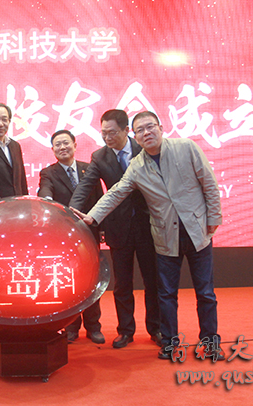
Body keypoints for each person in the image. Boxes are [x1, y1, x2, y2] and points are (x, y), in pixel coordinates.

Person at [73, 111, 224, 360]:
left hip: (197, 232)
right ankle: (170, 343)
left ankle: (210, 343)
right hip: (165, 237)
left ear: (161, 128)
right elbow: (116, 192)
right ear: (135, 136)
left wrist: (214, 218)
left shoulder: (186, 147)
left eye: (150, 127)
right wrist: (92, 217)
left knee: (205, 293)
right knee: (166, 294)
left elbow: (208, 182)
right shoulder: (137, 165)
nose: (146, 133)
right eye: (141, 130)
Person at [70, 109, 161, 349]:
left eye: (112, 133)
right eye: (104, 133)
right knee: (122, 284)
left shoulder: (144, 148)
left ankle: (156, 328)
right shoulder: (100, 157)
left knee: (153, 281)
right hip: (118, 228)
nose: (107, 138)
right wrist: (71, 210)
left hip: (148, 225)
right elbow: (86, 185)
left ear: (126, 131)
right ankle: (126, 331)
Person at [37, 129, 105, 344]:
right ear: (52, 149)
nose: (62, 147)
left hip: (90, 232)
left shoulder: (89, 169)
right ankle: (71, 327)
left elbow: (99, 198)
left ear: (75, 145)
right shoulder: (48, 172)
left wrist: (101, 227)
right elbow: (44, 191)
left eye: (66, 143)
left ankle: (94, 327)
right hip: (64, 236)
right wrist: (46, 201)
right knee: (69, 281)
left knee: (92, 279)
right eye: (57, 144)